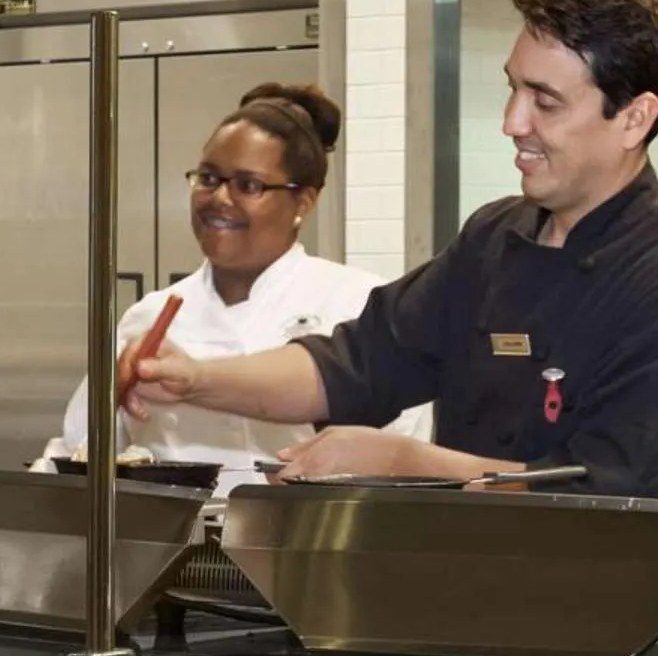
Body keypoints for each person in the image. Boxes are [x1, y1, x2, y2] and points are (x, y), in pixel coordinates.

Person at [126, 0, 658, 499]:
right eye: (513, 88)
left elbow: (606, 497)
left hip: (591, 627)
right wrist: (196, 378)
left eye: (544, 101)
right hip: (457, 596)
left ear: (634, 118)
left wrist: (401, 463)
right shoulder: (496, 237)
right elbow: (357, 364)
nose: (511, 122)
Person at [37, 83, 428, 490]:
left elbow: (403, 466)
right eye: (208, 178)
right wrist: (109, 397)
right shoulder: (150, 317)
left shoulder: (357, 303)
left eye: (249, 185)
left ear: (304, 201)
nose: (220, 198)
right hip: (173, 548)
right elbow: (75, 457)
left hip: (308, 546)